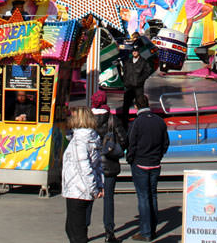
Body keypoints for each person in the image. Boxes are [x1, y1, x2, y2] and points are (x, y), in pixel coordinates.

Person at [127, 94, 170, 241]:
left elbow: (131, 144)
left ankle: (146, 231)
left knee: (144, 197)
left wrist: (130, 158)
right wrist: (159, 155)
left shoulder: (137, 123)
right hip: (155, 163)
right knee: (153, 195)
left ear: (136, 107)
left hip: (140, 163)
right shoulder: (159, 121)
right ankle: (152, 228)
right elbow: (166, 143)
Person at [62, 106, 104, 243]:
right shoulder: (91, 137)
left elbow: (84, 168)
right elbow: (97, 165)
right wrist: (98, 184)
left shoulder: (79, 141)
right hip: (82, 189)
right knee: (76, 228)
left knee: (75, 231)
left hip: (77, 189)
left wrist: (93, 188)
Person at [91, 91, 128, 243]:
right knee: (109, 199)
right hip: (109, 163)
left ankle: (83, 229)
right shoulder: (113, 119)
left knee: (88, 197)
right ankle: (109, 232)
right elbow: (124, 139)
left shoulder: (88, 118)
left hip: (93, 163)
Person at [120, 48, 153, 124]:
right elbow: (124, 71)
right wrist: (125, 81)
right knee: (126, 105)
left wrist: (140, 80)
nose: (134, 52)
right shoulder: (128, 61)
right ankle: (124, 122)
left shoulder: (143, 62)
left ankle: (142, 121)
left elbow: (147, 72)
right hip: (129, 87)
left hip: (138, 87)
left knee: (141, 104)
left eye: (136, 51)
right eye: (133, 51)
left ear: (139, 52)